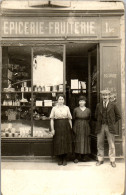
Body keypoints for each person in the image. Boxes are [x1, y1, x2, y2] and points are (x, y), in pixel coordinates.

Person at [95, 89, 121, 168]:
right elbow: (96, 116)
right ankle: (100, 159)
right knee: (99, 143)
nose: (105, 97)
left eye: (106, 95)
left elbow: (118, 116)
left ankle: (112, 160)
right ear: (101, 96)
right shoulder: (98, 105)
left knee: (111, 144)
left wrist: (112, 122)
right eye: (103, 95)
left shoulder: (113, 105)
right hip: (100, 126)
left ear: (109, 96)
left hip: (110, 127)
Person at [50, 94, 72, 166]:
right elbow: (52, 119)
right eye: (59, 99)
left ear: (64, 100)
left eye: (62, 99)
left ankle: (64, 158)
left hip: (66, 126)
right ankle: (59, 158)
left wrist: (70, 128)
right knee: (58, 141)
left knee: (65, 141)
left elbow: (69, 119)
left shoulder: (67, 108)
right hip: (57, 125)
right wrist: (52, 129)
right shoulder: (54, 108)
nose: (61, 101)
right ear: (57, 100)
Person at [73, 95, 91, 163]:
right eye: (80, 101)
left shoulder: (88, 110)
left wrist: (86, 125)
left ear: (85, 102)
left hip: (86, 126)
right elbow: (73, 118)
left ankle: (84, 156)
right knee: (77, 140)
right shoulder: (75, 109)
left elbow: (90, 119)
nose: (81, 102)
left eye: (83, 101)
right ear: (78, 102)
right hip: (77, 126)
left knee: (85, 140)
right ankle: (76, 156)